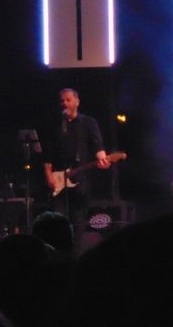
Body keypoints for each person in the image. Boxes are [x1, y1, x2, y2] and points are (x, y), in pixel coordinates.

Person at [43, 88, 110, 247]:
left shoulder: (88, 122)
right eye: (62, 101)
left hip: (80, 181)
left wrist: (103, 159)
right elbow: (47, 155)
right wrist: (48, 175)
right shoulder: (55, 124)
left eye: (68, 100)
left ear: (77, 102)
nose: (64, 103)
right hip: (58, 181)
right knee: (56, 221)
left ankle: (76, 255)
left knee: (78, 221)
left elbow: (98, 146)